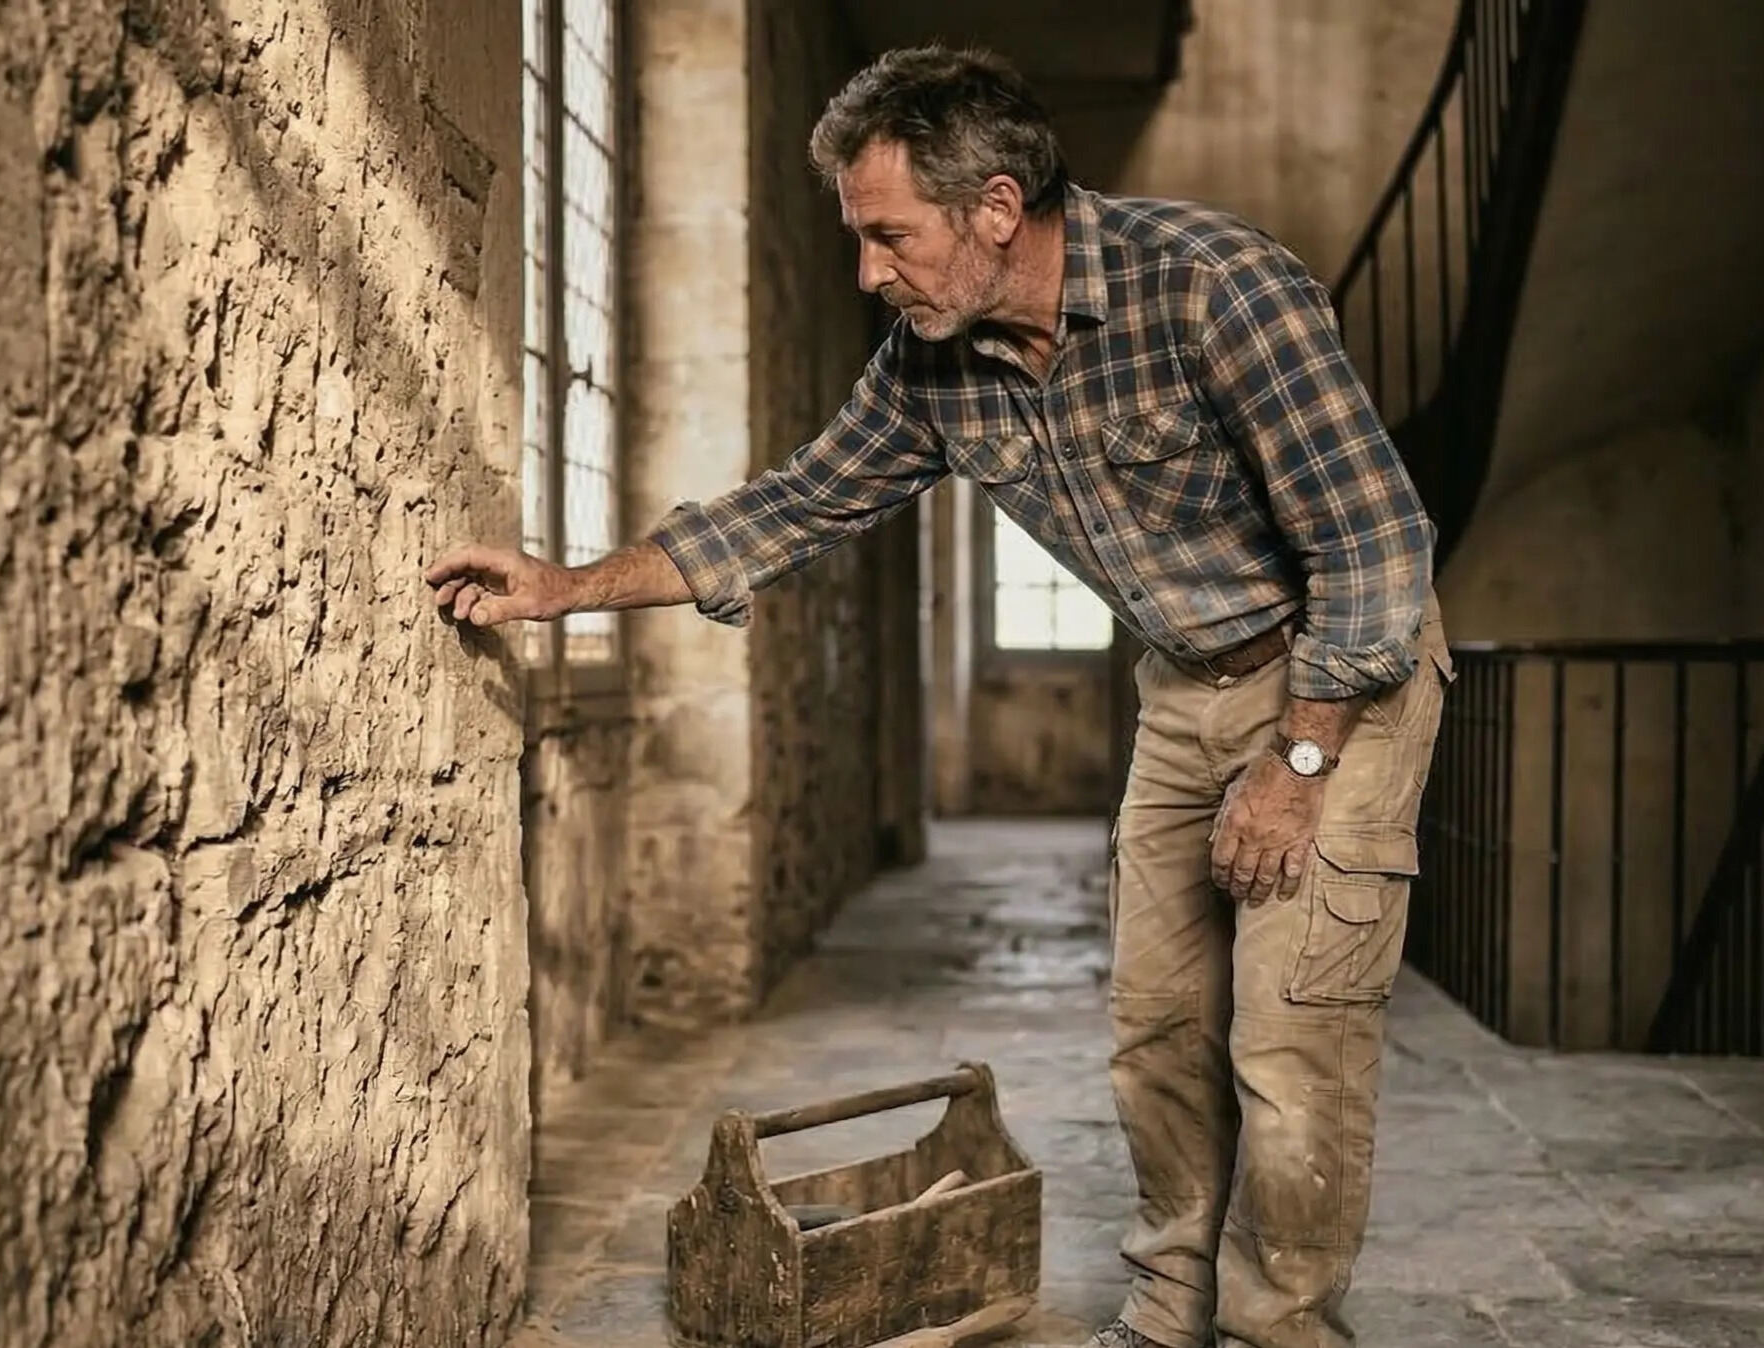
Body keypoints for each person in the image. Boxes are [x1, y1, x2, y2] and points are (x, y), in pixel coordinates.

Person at [426, 43, 1451, 1348]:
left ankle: (1276, 1332)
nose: (869, 272)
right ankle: (1167, 1316)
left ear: (997, 209)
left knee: (1290, 1048)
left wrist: (1298, 768)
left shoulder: (1214, 286)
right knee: (1157, 1030)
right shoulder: (933, 363)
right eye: (859, 239)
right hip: (1186, 684)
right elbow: (791, 505)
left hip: (1337, 680)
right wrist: (569, 588)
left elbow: (1373, 546)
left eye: (890, 236)